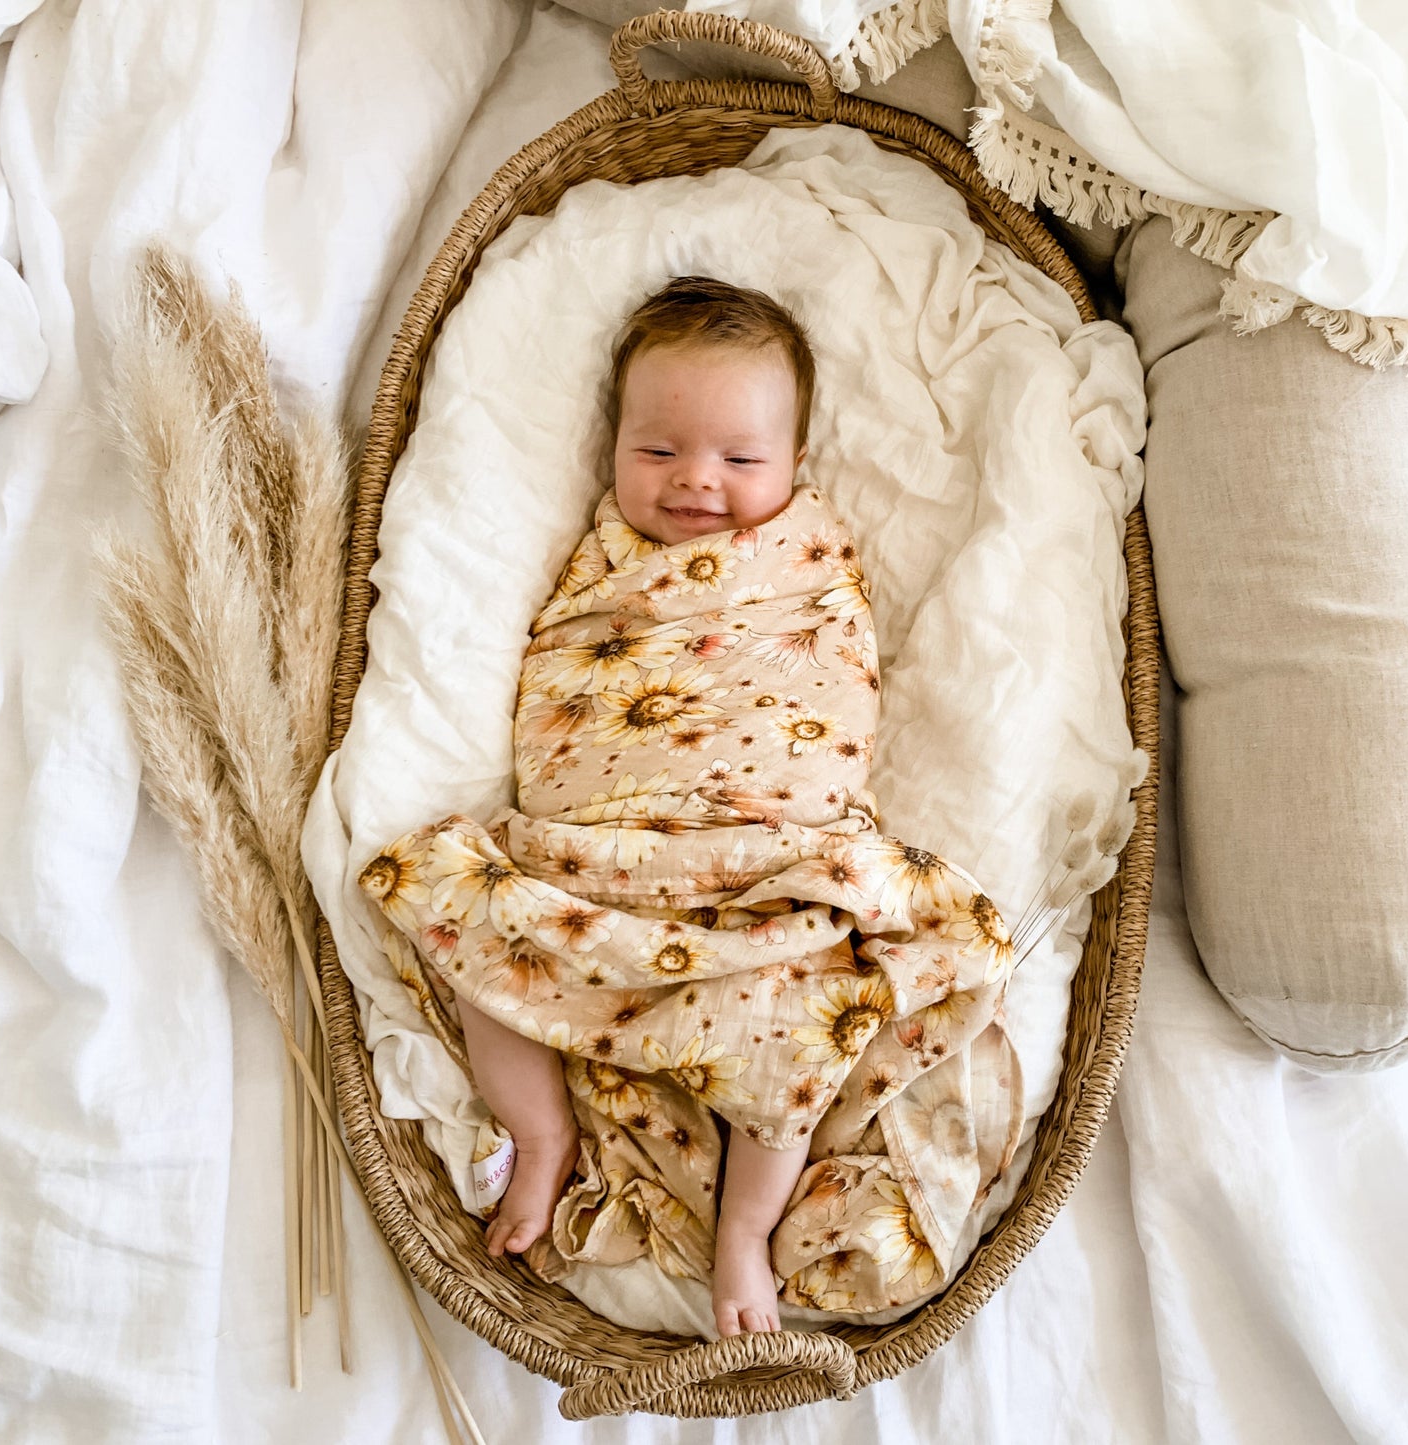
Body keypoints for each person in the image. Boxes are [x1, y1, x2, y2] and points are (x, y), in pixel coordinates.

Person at [361, 276, 1015, 1335]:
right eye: (656, 451)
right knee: (458, 912)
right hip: (587, 868)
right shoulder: (600, 568)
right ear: (613, 446)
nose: (695, 483)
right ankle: (541, 1136)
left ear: (795, 468)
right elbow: (569, 665)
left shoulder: (801, 563)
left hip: (762, 874)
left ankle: (743, 1232)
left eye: (739, 459)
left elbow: (827, 679)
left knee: (800, 1032)